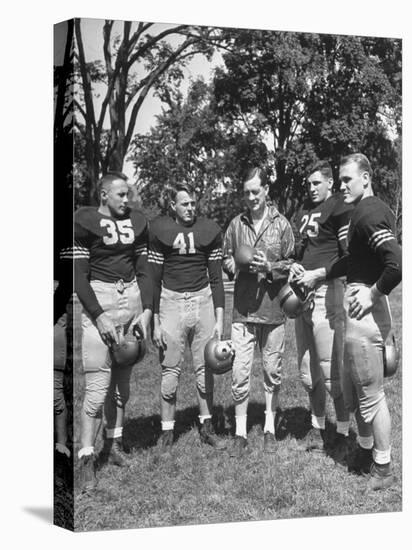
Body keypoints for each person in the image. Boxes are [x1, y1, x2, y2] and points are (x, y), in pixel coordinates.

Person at [71, 171, 152, 493]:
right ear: (103, 195)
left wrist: (145, 311)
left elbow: (145, 269)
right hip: (100, 300)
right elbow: (78, 274)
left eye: (128, 193)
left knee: (122, 385)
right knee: (95, 388)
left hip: (130, 300)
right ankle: (86, 457)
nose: (127, 199)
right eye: (120, 194)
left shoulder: (138, 222)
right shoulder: (84, 220)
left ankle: (114, 443)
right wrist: (98, 315)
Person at [335, 153, 402, 490]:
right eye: (340, 179)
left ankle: (384, 469)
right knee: (360, 392)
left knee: (372, 396)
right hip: (362, 312)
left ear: (366, 176)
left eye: (348, 179)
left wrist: (373, 294)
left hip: (366, 314)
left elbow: (397, 264)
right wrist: (319, 274)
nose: (341, 185)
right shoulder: (363, 211)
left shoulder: (370, 210)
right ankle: (366, 453)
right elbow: (353, 261)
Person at [148, 183, 226, 451]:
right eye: (184, 204)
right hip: (171, 300)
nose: (190, 208)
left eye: (193, 203)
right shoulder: (160, 230)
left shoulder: (209, 229)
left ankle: (207, 426)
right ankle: (167, 431)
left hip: (202, 299)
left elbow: (216, 278)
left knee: (205, 368)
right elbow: (153, 279)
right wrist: (155, 320)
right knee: (170, 369)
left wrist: (219, 317)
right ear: (173, 206)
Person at [223, 167, 295, 457]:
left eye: (256, 191)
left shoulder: (282, 225)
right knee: (239, 372)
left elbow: (291, 264)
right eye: (246, 192)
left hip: (274, 310)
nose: (251, 197)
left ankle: (269, 428)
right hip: (243, 310)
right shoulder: (235, 225)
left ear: (266, 190)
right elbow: (226, 260)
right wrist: (236, 264)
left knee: (271, 370)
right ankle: (240, 432)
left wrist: (269, 267)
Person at [289, 160, 352, 456]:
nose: (312, 188)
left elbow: (347, 256)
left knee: (331, 370)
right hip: (302, 293)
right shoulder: (302, 211)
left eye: (317, 183)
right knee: (307, 370)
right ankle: (317, 426)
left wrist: (321, 273)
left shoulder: (339, 206)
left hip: (327, 291)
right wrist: (294, 268)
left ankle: (342, 429)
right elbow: (298, 252)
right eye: (309, 183)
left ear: (329, 183)